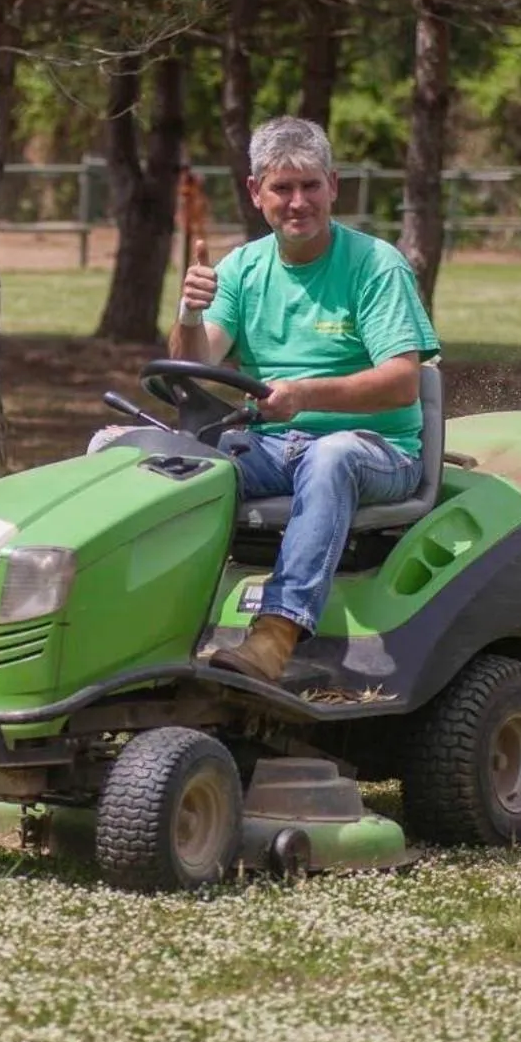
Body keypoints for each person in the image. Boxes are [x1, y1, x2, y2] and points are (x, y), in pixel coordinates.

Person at [171, 116, 440, 684]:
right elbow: (196, 365)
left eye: (310, 186)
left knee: (330, 455)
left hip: (378, 450)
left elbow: (402, 381)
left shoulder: (375, 265)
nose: (298, 202)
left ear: (334, 185)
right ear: (255, 192)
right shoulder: (241, 268)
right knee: (152, 458)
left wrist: (306, 395)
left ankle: (275, 635)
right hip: (272, 446)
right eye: (282, 188)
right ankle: (153, 622)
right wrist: (190, 312)